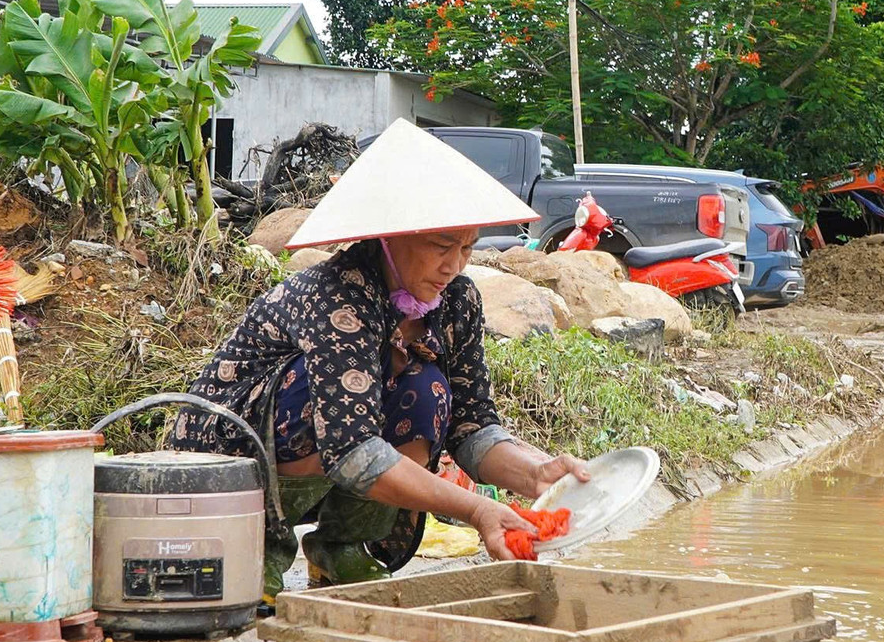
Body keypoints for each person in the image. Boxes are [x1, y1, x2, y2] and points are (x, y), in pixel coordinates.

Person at [169, 120, 590, 590]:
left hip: (334, 453)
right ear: (390, 236)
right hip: (228, 454)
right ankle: (259, 546)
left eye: (468, 247)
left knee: (427, 391)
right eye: (440, 246)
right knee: (315, 396)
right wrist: (475, 509)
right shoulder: (338, 294)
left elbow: (471, 425)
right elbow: (350, 449)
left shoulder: (456, 302)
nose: (453, 266)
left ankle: (343, 546)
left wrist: (535, 476)